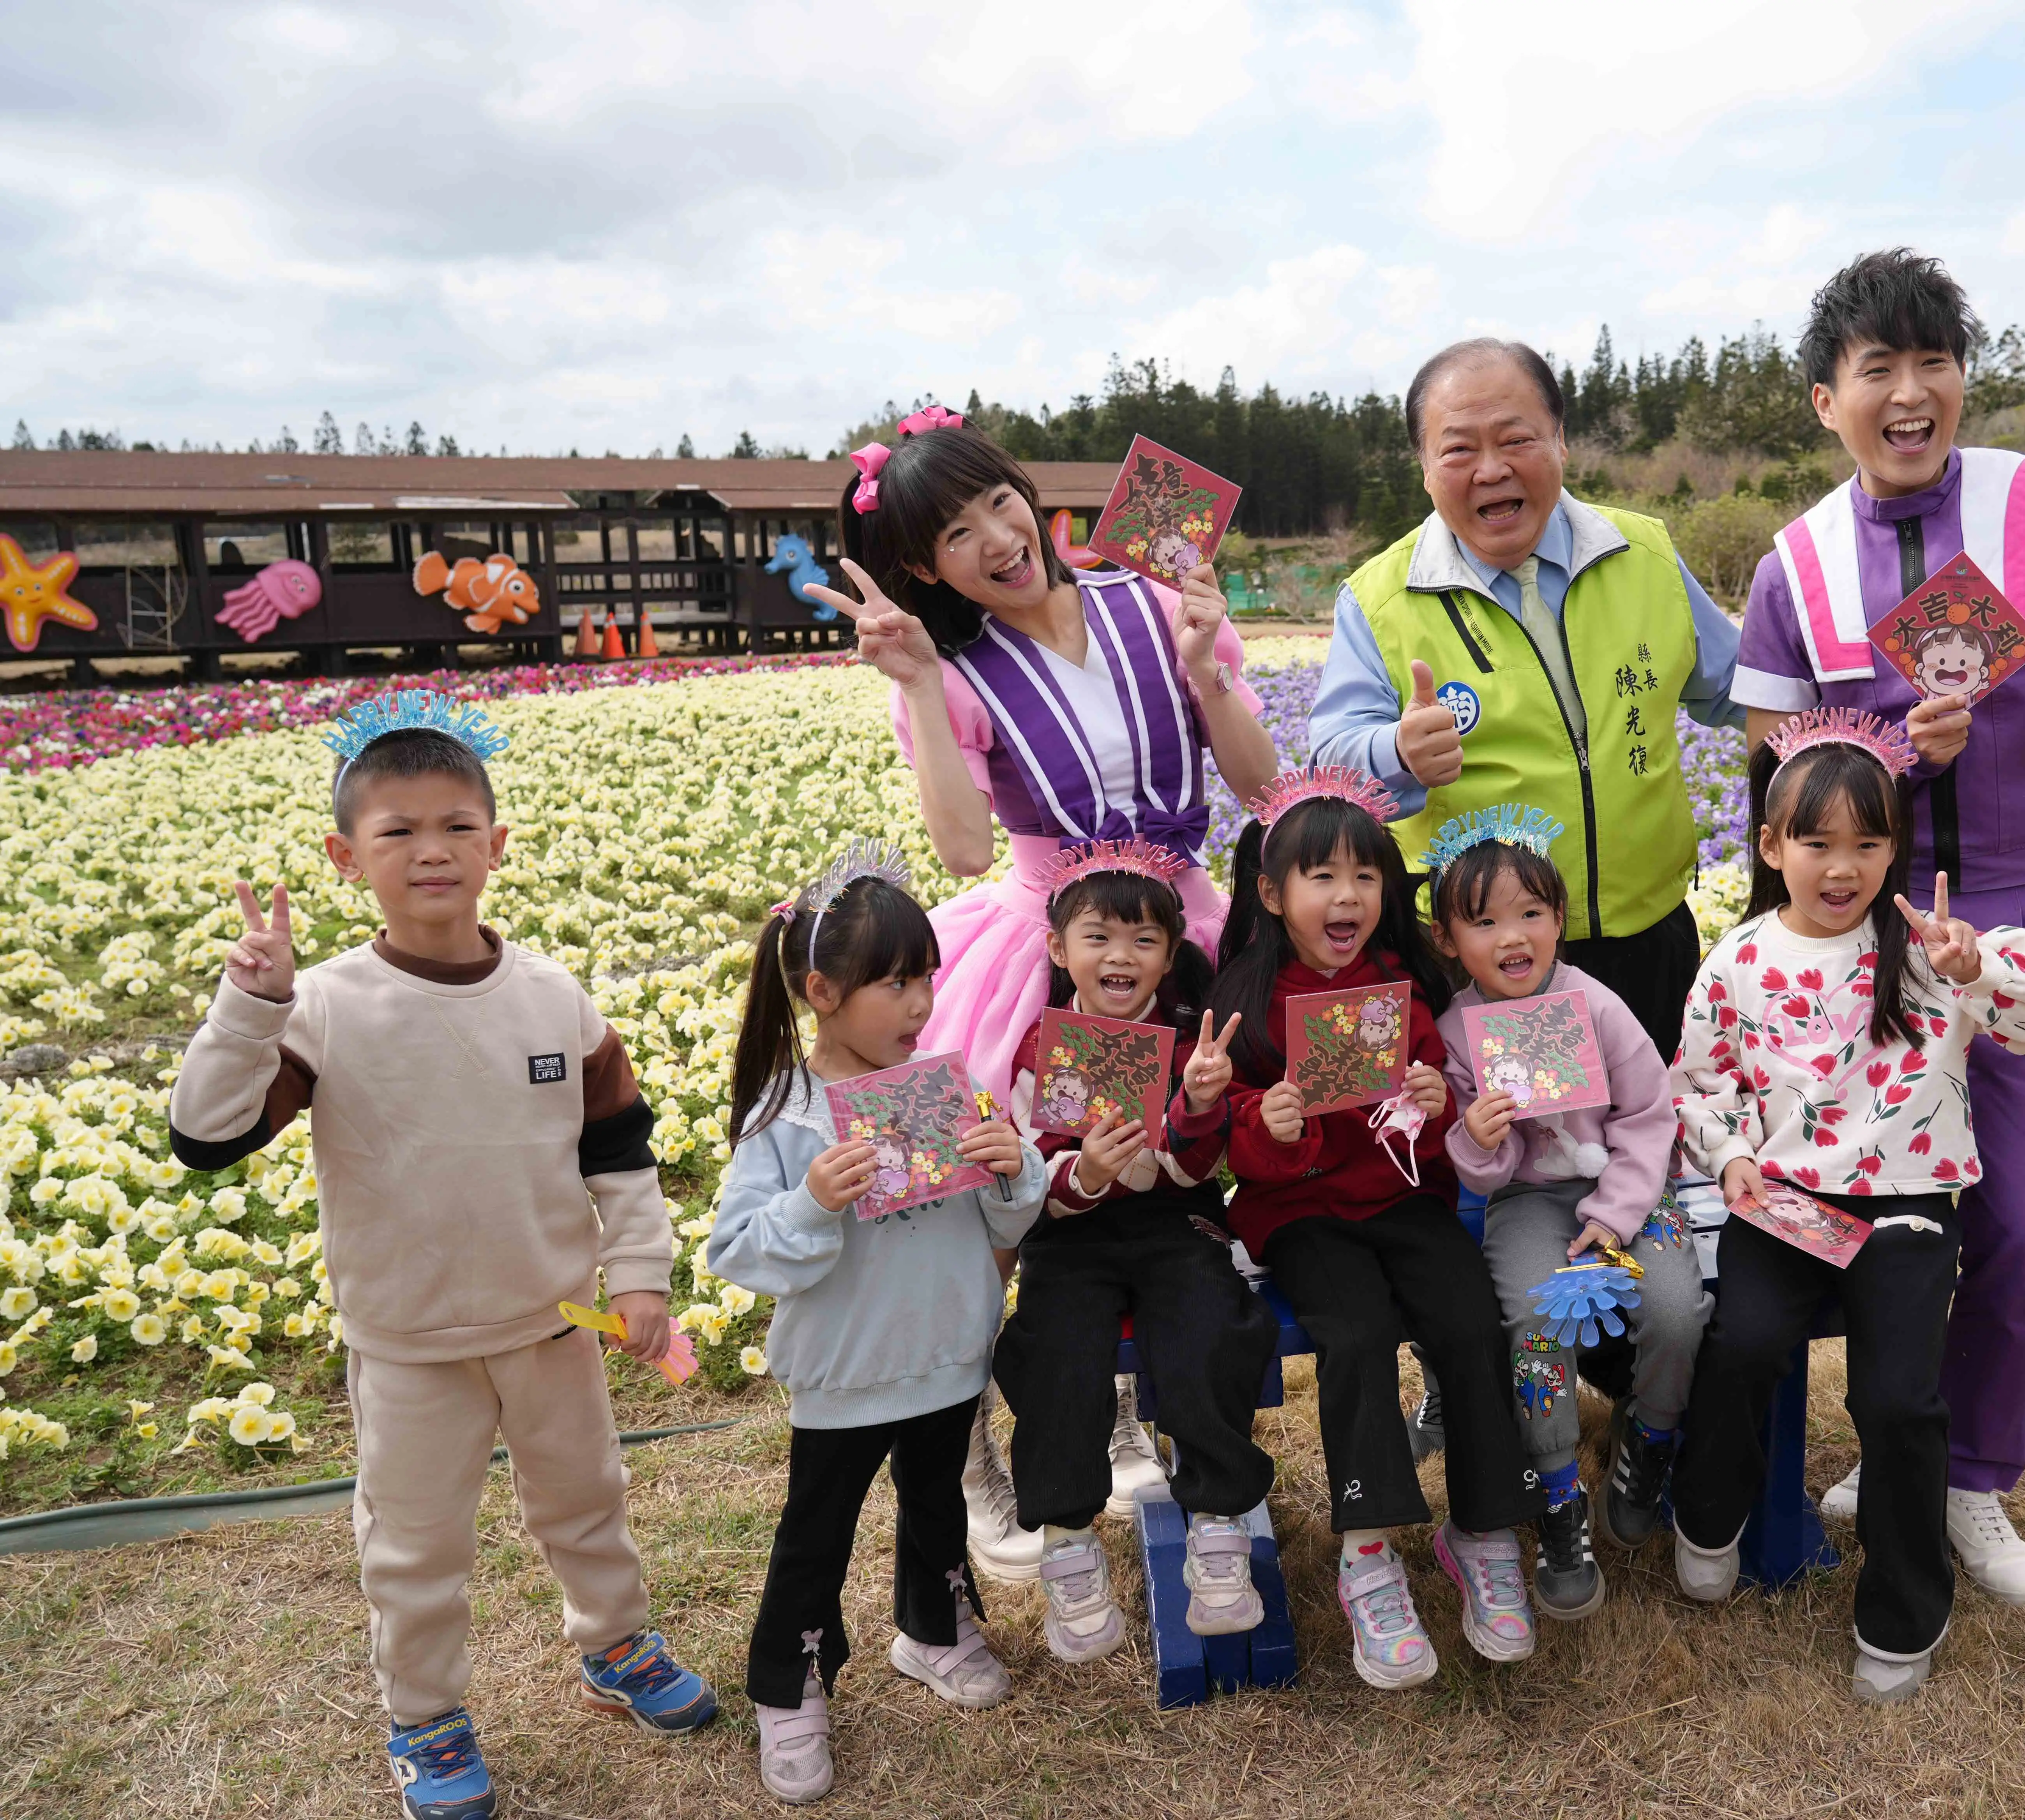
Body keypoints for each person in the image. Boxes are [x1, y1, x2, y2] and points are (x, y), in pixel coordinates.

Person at [1730, 250, 2025, 1603]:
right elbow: (1771, 769)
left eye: (1931, 361)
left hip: (2021, 903)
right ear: (1825, 399)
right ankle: (1893, 1449)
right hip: (1857, 923)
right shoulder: (1793, 562)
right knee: (1879, 1210)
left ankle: (1969, 1478)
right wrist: (1887, 753)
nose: (1909, 390)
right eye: (1875, 368)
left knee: (2021, 1223)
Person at [166, 690, 717, 1820]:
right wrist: (248, 1010)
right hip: (409, 1340)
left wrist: (641, 1278)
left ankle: (616, 1647)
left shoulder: (554, 1000)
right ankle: (425, 1716)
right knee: (414, 1546)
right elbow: (205, 1142)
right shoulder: (321, 1007)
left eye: (458, 826)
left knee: (587, 1500)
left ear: (497, 845)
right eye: (398, 832)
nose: (432, 851)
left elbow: (620, 1156)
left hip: (557, 1322)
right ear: (344, 856)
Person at [814, 409, 1279, 1577]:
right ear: (924, 570)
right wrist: (918, 683)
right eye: (956, 536)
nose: (996, 540)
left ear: (1030, 495)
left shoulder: (1158, 597)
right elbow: (965, 853)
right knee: (977, 1180)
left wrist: (1210, 661)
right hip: (1042, 942)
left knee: (1176, 1143)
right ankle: (977, 1453)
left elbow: (1259, 781)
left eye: (998, 506)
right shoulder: (959, 674)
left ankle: (1131, 1414)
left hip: (1176, 925)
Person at [1667, 709, 2025, 1704]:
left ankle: (1903, 1610)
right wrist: (1728, 1156)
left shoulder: (1928, 951)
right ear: (1772, 846)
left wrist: (1977, 966)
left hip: (1907, 1201)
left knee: (1898, 1399)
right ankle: (1708, 1509)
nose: (1842, 865)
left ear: (1898, 845)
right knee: (1742, 1344)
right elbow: (1700, 1082)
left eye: (1869, 840)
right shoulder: (1738, 960)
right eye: (1817, 841)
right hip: (1785, 1201)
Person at [705, 842, 1045, 1805]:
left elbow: (1004, 1219)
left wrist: (1011, 1166)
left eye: (926, 978)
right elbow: (735, 1249)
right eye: (894, 983)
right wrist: (813, 1202)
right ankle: (791, 1680)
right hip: (846, 1372)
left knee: (938, 1506)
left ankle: (933, 1628)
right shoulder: (785, 1115)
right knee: (817, 1532)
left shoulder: (945, 1085)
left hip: (947, 1357)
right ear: (820, 989)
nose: (919, 1004)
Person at [1309, 337, 1745, 1062]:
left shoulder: (1645, 555)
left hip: (1648, 934)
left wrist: (1867, 711)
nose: (1491, 469)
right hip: (1496, 958)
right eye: (1458, 451)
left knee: (1655, 1141)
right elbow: (1331, 760)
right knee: (1531, 1160)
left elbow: (1740, 689)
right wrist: (1397, 752)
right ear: (1423, 467)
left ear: (1562, 442)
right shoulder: (1380, 597)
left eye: (1517, 439)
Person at [1204, 765, 1540, 1688]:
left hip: (1406, 1200)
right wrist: (1263, 1126)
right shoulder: (1245, 995)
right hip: (1303, 1213)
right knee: (1352, 1332)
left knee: (1472, 1322)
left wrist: (1433, 1098)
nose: (1347, 894)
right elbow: (1225, 1131)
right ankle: (1366, 1556)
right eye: (1322, 876)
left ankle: (1481, 1531)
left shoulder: (1403, 979)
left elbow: (1436, 1092)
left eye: (1365, 873)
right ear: (1274, 894)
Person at [990, 839, 1281, 1662]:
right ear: (1059, 948)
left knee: (1208, 1317)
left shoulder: (1192, 1042)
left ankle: (1219, 1521)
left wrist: (1194, 1104)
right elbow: (1028, 1184)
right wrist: (1081, 1171)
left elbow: (1195, 1170)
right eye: (1099, 937)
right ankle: (1070, 1540)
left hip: (1172, 1221)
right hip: (1071, 1233)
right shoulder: (1038, 1051)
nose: (1121, 955)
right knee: (1055, 1344)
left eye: (1145, 940)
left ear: (1170, 955)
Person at [1427, 805, 1707, 1620]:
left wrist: (1619, 1214)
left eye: (1532, 914)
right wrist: (1478, 1138)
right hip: (1529, 1202)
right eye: (1484, 922)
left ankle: (1647, 1439)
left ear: (1558, 919)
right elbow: (1489, 1173)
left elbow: (1650, 1116)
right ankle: (1556, 1493)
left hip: (1630, 1191)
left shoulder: (1596, 1004)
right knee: (1535, 1319)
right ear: (1447, 939)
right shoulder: (1455, 1033)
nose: (1513, 936)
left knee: (1675, 1307)